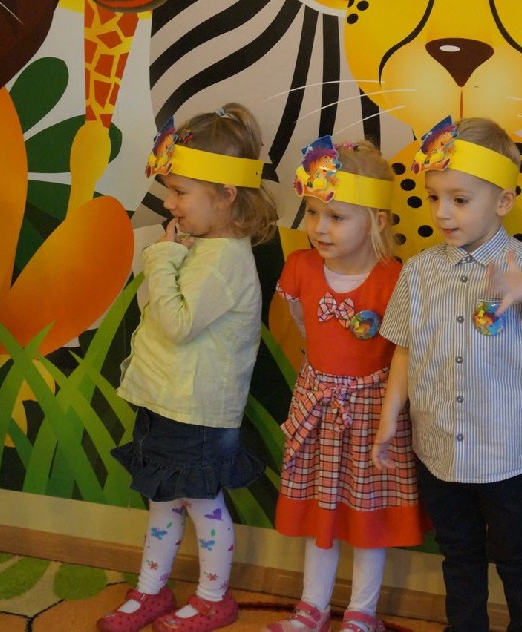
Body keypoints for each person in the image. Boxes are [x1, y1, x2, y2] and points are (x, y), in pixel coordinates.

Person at [372, 115, 522, 632]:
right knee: (459, 553)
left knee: (516, 553)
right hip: (438, 446)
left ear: (503, 201)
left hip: (502, 450)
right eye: (434, 197)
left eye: (460, 199)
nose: (442, 212)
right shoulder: (419, 271)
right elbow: (405, 351)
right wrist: (389, 418)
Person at [97, 103, 278, 632]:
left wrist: (159, 259)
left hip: (195, 413)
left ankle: (213, 598)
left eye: (179, 192)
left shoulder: (223, 262)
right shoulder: (202, 247)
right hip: (168, 401)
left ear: (226, 195)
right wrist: (173, 257)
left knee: (203, 505)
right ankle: (151, 589)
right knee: (163, 502)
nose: (168, 203)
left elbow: (176, 323)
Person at [264, 137, 426, 632]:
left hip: (373, 413)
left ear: (376, 221)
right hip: (317, 405)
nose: (319, 228)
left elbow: (404, 349)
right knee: (321, 509)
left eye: (336, 216)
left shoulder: (394, 278)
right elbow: (302, 324)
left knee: (367, 515)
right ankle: (312, 605)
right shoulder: (300, 267)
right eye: (313, 213)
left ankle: (361, 612)